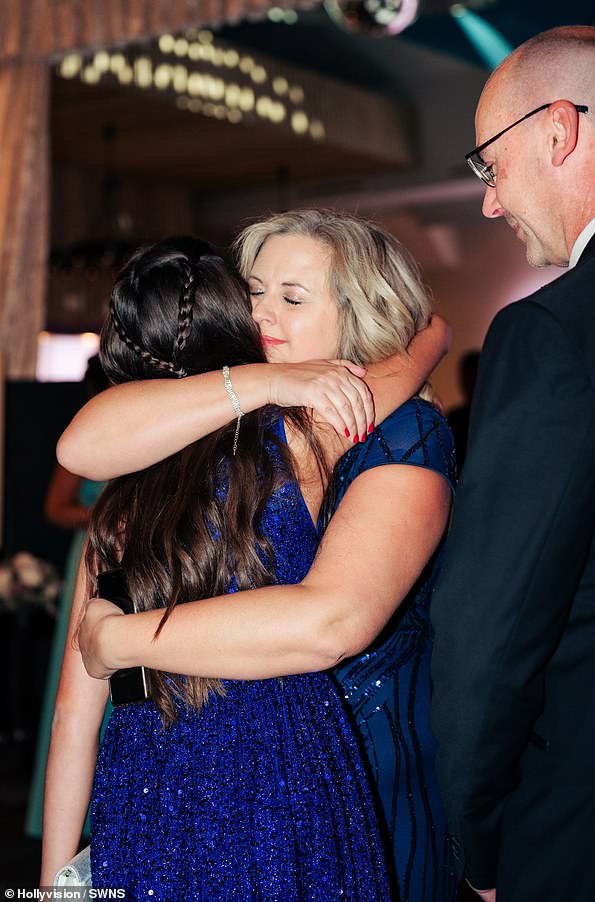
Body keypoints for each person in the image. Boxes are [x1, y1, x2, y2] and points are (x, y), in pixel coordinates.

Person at [58, 210, 458, 901]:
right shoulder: (184, 442)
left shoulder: (337, 430)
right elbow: (79, 449)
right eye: (253, 290)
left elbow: (331, 621)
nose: (262, 311)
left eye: (292, 297)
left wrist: (120, 638)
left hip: (326, 763)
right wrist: (276, 381)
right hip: (184, 766)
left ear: (356, 315)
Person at [429, 26, 595, 902]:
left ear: (557, 132)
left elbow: (493, 627)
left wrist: (477, 837)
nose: (488, 203)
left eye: (490, 165)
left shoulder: (552, 332)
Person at [25, 355, 109, 839]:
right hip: (96, 551)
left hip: (141, 557)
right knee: (76, 698)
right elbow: (55, 508)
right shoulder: (89, 435)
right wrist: (108, 516)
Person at [446, 350, 479, 474]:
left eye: (472, 377)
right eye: (465, 378)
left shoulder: (457, 417)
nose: (467, 383)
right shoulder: (456, 417)